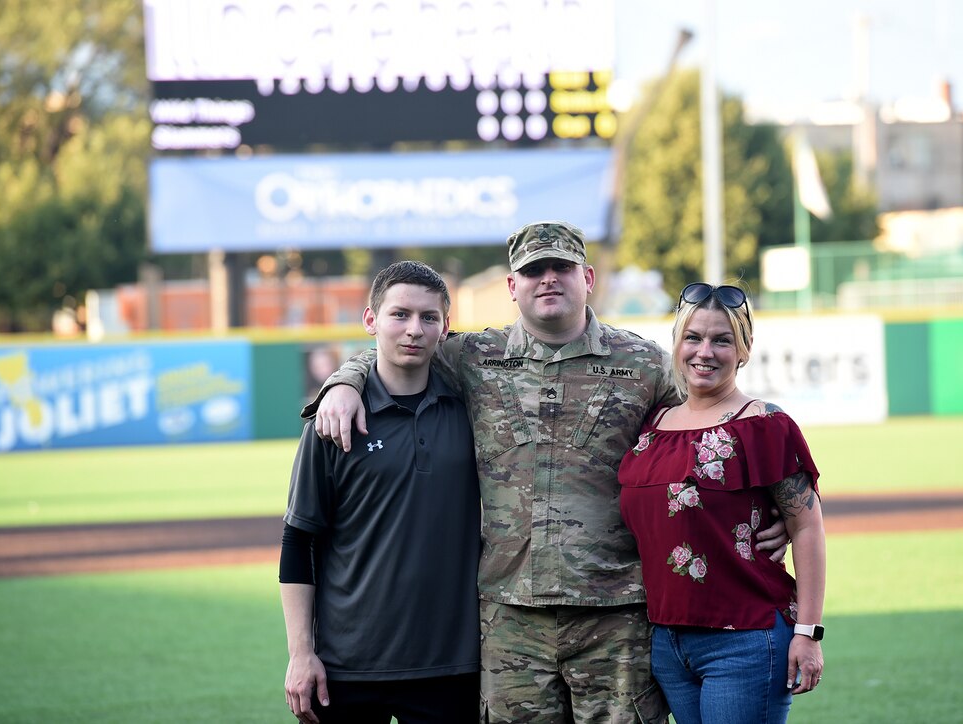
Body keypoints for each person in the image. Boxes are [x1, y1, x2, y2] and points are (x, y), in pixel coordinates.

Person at [304, 222, 789, 722]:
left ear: (588, 277)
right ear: (513, 286)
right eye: (534, 270)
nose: (549, 279)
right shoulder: (473, 356)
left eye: (562, 267)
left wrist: (769, 505)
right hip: (510, 618)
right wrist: (345, 380)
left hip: (615, 617)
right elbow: (400, 347)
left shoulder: (643, 364)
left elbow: (711, 419)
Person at [617, 282, 827, 724]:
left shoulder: (765, 425)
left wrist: (808, 634)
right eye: (693, 338)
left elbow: (807, 527)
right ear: (677, 345)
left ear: (745, 349)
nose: (704, 351)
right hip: (667, 643)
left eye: (722, 340)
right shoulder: (654, 424)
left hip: (744, 641)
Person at [280, 261, 480, 724]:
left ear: (445, 328)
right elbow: (299, 540)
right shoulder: (332, 422)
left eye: (429, 317)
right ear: (370, 320)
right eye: (400, 314)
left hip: (450, 667)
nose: (414, 329)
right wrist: (300, 653)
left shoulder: (474, 408)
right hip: (346, 668)